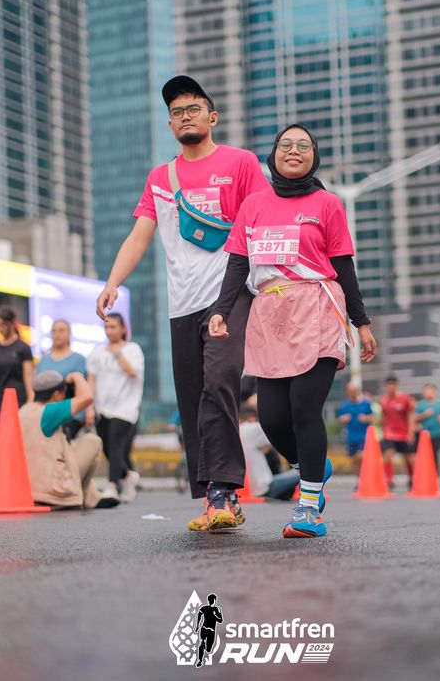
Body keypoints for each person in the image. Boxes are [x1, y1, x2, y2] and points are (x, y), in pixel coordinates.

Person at [95, 75, 268, 531]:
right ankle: (212, 493)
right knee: (192, 399)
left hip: (229, 294)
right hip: (182, 304)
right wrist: (113, 282)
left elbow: (264, 222)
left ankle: (223, 489)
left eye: (193, 108)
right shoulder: (160, 178)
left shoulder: (241, 163)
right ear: (170, 124)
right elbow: (140, 234)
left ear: (212, 116)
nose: (185, 116)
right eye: (177, 112)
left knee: (220, 382)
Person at [209, 124, 376, 538]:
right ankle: (311, 468)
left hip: (316, 307)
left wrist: (362, 323)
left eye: (304, 145)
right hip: (270, 314)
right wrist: (221, 311)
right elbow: (237, 263)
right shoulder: (253, 205)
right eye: (286, 144)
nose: (294, 150)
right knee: (271, 418)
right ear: (274, 154)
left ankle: (309, 508)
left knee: (304, 409)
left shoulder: (328, 204)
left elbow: (344, 266)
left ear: (314, 156)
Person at [19, 370, 119, 509]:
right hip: (53, 490)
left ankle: (91, 496)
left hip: (27, 489)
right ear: (56, 394)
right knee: (92, 441)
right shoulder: (49, 411)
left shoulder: (23, 410)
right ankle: (86, 497)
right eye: (64, 392)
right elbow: (87, 397)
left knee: (67, 447)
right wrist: (76, 376)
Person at [87, 313, 144, 503]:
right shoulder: (97, 352)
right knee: (106, 446)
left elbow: (133, 372)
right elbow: (92, 379)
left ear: (123, 328)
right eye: (106, 327)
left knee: (115, 443)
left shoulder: (133, 349)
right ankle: (127, 476)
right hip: (102, 407)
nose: (109, 331)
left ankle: (112, 485)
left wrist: (117, 353)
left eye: (113, 327)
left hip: (125, 407)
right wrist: (90, 406)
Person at [37, 319, 88, 439]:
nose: (57, 334)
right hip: (45, 414)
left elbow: (85, 389)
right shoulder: (44, 360)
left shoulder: (79, 359)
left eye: (61, 330)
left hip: (69, 413)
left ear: (69, 333)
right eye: (54, 331)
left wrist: (89, 410)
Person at [239, 404, 299, 500]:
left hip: (246, 490)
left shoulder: (234, 432)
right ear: (251, 418)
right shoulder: (250, 428)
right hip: (265, 487)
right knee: (308, 469)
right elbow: (278, 433)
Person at [380, 376, 415, 490]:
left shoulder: (405, 399)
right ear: (386, 386)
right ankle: (388, 480)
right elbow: (383, 417)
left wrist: (411, 432)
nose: (390, 387)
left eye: (393, 385)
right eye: (388, 385)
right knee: (387, 455)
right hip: (389, 434)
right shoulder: (383, 400)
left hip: (404, 434)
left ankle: (412, 479)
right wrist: (382, 430)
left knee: (409, 458)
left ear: (396, 385)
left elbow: (410, 416)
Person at [0, 305, 34, 410]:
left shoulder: (23, 348)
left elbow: (29, 379)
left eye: (2, 325)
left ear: (13, 322)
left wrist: (30, 403)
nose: (0, 329)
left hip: (17, 401)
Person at [337, 383, 373, 485]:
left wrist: (366, 418)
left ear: (357, 391)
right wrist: (343, 419)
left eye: (354, 391)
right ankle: (360, 480)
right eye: (350, 391)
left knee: (360, 456)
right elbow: (340, 418)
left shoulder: (366, 403)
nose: (352, 393)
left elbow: (372, 417)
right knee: (354, 460)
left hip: (363, 436)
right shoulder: (345, 405)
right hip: (351, 436)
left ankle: (365, 478)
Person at [414, 383, 440, 473]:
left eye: (430, 390)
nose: (429, 392)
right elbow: (414, 418)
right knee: (423, 456)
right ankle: (423, 474)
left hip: (437, 434)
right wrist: (424, 415)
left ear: (435, 392)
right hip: (423, 435)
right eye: (426, 390)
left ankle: (435, 476)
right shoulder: (420, 405)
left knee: (435, 456)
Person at [195, 594, 223, 668]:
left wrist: (214, 615)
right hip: (205, 628)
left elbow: (220, 620)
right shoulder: (204, 608)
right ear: (209, 600)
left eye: (212, 600)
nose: (211, 601)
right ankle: (200, 660)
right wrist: (197, 625)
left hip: (211, 631)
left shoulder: (217, 609)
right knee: (202, 642)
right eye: (210, 600)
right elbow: (199, 615)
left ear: (214, 600)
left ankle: (204, 646)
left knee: (208, 650)